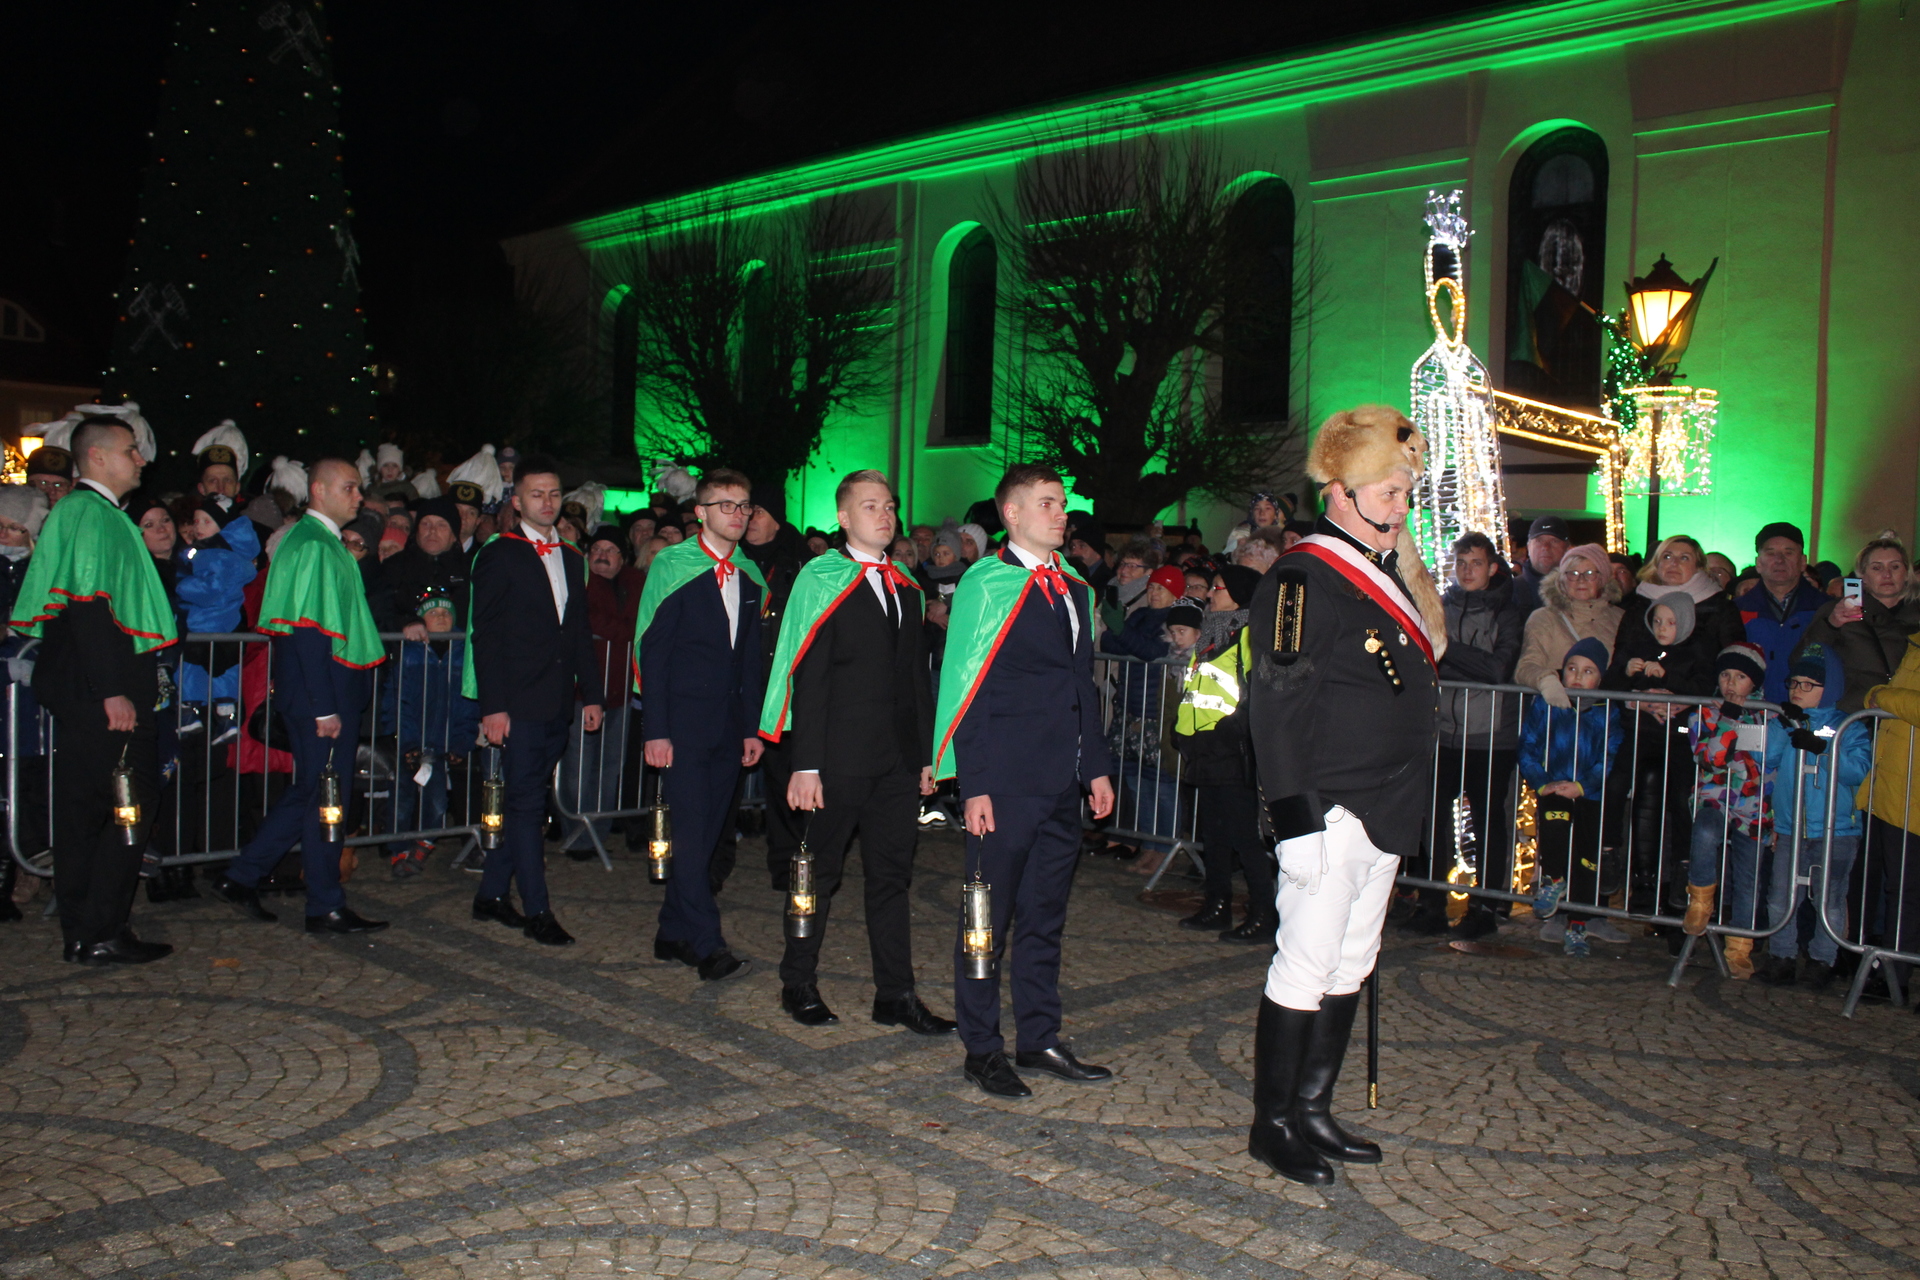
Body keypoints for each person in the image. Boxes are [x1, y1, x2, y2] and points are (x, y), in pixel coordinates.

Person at [1241, 405, 1446, 1187]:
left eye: (1405, 493)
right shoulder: (1304, 576)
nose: (1400, 507)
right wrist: (1294, 818)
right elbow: (1278, 702)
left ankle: (1314, 1106)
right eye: (1388, 493)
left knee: (1353, 962)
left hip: (1386, 803)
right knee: (1305, 963)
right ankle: (1274, 1121)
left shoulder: (1386, 570)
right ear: (1340, 491)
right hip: (1330, 808)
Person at [932, 463, 1117, 1099]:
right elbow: (967, 685)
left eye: (1062, 503)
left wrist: (1095, 765)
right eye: (1046, 503)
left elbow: (1080, 685)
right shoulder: (986, 584)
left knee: (1044, 918)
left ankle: (1038, 1036)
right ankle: (981, 1046)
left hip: (1061, 780)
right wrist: (973, 782)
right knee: (986, 917)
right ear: (1011, 515)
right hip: (1005, 782)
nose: (1060, 513)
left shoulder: (1073, 586)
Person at [756, 470, 953, 1033]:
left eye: (889, 506)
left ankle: (896, 993)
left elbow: (916, 679)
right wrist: (805, 764)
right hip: (836, 757)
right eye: (870, 507)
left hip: (894, 761)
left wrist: (923, 758)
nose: (884, 516)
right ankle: (797, 980)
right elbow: (809, 675)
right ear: (844, 518)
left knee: (892, 876)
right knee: (815, 872)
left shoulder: (906, 585)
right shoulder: (821, 579)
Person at [7, 420, 176, 963]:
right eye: (131, 450)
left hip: (91, 688)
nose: (141, 458)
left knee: (89, 811)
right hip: (103, 691)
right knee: (127, 805)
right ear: (99, 458)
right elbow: (88, 604)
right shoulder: (88, 513)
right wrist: (111, 690)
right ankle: (101, 927)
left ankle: (86, 929)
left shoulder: (93, 514)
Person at [209, 459, 389, 935]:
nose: (358, 496)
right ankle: (324, 902)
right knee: (326, 795)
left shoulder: (317, 542)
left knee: (311, 791)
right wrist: (325, 706)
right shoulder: (313, 545)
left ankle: (243, 876)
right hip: (321, 696)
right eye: (349, 488)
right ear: (318, 489)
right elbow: (308, 631)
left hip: (320, 693)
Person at [460, 456, 603, 945]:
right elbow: (487, 635)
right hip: (517, 701)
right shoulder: (500, 553)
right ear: (517, 502)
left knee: (530, 796)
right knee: (524, 805)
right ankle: (538, 909)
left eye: (554, 494)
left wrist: (593, 694)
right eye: (537, 494)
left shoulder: (572, 557)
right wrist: (493, 706)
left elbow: (580, 631)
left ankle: (492, 895)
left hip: (558, 699)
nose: (547, 502)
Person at [634, 468, 766, 981]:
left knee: (709, 835)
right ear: (701, 513)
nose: (738, 515)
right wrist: (655, 730)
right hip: (683, 725)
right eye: (727, 505)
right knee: (690, 835)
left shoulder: (750, 575)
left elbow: (750, 661)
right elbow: (652, 652)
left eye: (744, 506)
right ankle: (708, 943)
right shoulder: (673, 566)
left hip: (729, 726)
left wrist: (752, 728)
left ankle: (672, 931)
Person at [1410, 530, 1525, 939]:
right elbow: (1424, 661)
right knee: (1433, 822)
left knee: (1489, 823)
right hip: (1444, 732)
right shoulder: (1439, 606)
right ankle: (1432, 901)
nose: (1467, 571)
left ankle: (1486, 906)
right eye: (1460, 563)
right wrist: (1449, 655)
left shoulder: (1507, 613)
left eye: (1475, 563)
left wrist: (1447, 650)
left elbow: (1499, 669)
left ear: (1492, 568)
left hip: (1490, 734)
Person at [1753, 644, 1871, 990]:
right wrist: (1781, 727)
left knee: (1828, 899)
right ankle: (1782, 955)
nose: (1796, 690)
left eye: (1807, 684)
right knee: (1780, 896)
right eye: (1794, 683)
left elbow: (1857, 771)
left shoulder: (1846, 726)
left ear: (1828, 689)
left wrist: (1822, 748)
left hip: (1836, 830)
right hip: (1792, 826)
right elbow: (1767, 759)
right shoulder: (1788, 722)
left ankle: (1823, 959)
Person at [1171, 564, 1272, 941]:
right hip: (1206, 748)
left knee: (1243, 837)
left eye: (1218, 588)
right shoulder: (1212, 633)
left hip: (1232, 750)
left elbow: (1256, 692)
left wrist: (1229, 730)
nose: (1210, 594)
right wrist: (1182, 731)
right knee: (1213, 834)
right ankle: (1217, 905)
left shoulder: (1249, 634)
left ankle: (1264, 913)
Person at [1525, 638, 1626, 957]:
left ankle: (1578, 925)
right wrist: (1543, 783)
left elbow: (1609, 755)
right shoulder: (1547, 704)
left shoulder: (1606, 710)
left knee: (1586, 858)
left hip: (1590, 795)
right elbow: (1528, 745)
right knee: (1554, 836)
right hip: (1554, 787)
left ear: (1600, 678)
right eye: (1571, 669)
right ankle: (1554, 880)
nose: (1578, 677)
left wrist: (1583, 786)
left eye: (1587, 671)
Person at [1680, 641, 1773, 978]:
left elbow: (1767, 764)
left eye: (1740, 677)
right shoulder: (1703, 714)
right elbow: (1710, 758)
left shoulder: (1767, 715)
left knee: (1749, 878)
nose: (1731, 683)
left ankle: (1740, 948)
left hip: (1752, 808)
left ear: (1755, 683)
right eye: (1725, 675)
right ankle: (1701, 899)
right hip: (1714, 798)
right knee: (1705, 832)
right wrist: (1728, 720)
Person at [380, 591, 478, 878]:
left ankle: (423, 845)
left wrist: (461, 742)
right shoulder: (407, 653)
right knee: (401, 800)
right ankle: (399, 850)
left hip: (441, 744)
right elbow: (397, 700)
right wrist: (404, 740)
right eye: (433, 612)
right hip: (410, 742)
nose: (441, 617)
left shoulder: (462, 653)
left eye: (447, 613)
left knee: (436, 801)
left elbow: (469, 703)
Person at [559, 528, 641, 859]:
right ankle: (578, 834)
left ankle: (599, 831)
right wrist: (623, 631)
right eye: (596, 549)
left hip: (621, 692)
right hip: (583, 693)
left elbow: (641, 622)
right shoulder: (578, 581)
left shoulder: (636, 583)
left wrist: (618, 630)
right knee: (578, 767)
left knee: (610, 768)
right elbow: (588, 621)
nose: (602, 555)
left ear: (623, 557)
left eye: (610, 549)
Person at [1797, 533, 1920, 713]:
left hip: (1904, 717)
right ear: (1862, 575)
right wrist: (1830, 625)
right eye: (1877, 568)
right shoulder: (1837, 610)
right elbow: (1800, 660)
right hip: (1852, 717)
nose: (1887, 574)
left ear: (1907, 574)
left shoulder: (1915, 615)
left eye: (1895, 566)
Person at [1738, 521, 1828, 704]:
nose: (1779, 560)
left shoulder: (1826, 609)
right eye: (1770, 553)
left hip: (1809, 714)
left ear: (1803, 562)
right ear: (1758, 563)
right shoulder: (1736, 610)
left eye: (1789, 553)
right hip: (1752, 713)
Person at [379, 496, 471, 632]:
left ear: (453, 535)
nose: (432, 531)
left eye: (441, 525)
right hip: (406, 650)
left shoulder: (471, 569)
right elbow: (380, 610)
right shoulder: (393, 567)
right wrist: (405, 622)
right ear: (416, 531)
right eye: (426, 524)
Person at [1511, 514, 1572, 617]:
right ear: (1528, 546)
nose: (1546, 547)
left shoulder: (1579, 589)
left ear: (1567, 548)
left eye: (1554, 541)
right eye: (1539, 541)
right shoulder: (1510, 591)